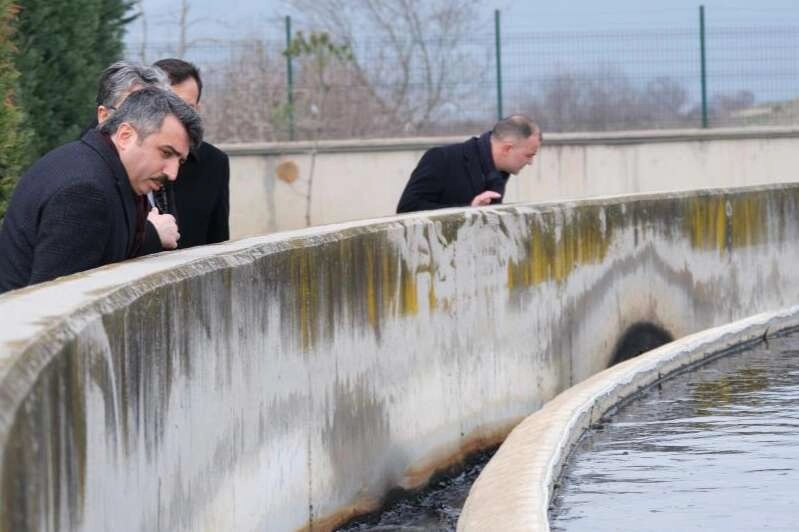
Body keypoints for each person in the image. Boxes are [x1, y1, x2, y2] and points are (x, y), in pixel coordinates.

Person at [0, 87, 203, 294]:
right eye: (166, 153)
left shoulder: (98, 168)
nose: (173, 173)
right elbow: (55, 302)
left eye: (180, 161)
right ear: (125, 136)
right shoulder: (85, 191)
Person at [93, 61, 179, 253]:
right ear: (104, 115)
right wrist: (151, 235)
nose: (144, 124)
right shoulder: (87, 177)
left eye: (152, 114)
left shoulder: (164, 165)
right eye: (131, 112)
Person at [153, 58, 230, 248]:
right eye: (168, 106)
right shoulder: (127, 159)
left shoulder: (215, 163)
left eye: (186, 108)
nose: (177, 117)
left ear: (197, 110)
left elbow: (218, 242)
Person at [396, 115, 542, 213]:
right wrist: (468, 210)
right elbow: (407, 210)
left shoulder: (498, 173)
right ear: (507, 148)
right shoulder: (441, 158)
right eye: (528, 155)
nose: (530, 162)